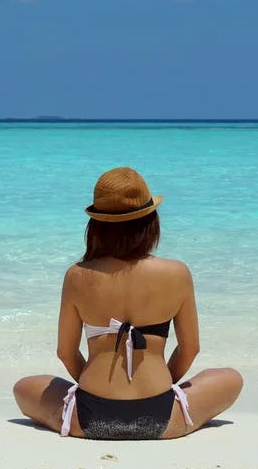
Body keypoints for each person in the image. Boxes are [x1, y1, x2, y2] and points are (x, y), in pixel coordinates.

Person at [12, 167, 243, 439]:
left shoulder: (78, 275)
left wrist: (98, 386)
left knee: (23, 387)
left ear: (96, 226)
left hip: (89, 416)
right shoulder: (177, 273)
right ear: (150, 222)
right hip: (163, 415)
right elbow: (190, 349)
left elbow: (66, 352)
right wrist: (161, 384)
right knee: (231, 378)